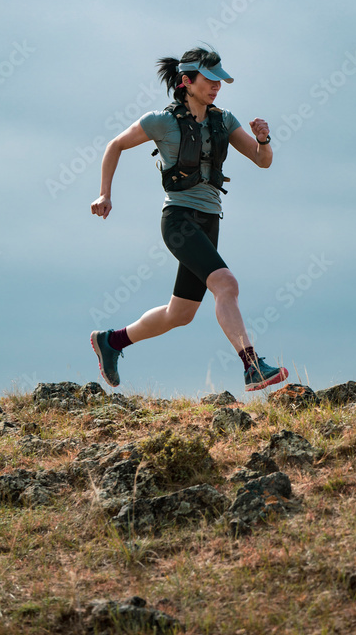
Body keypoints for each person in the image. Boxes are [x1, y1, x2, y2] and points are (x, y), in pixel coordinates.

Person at [89, 46, 288, 393]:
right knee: (226, 284)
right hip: (179, 221)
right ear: (187, 81)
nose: (216, 86)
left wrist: (264, 140)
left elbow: (262, 160)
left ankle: (112, 341)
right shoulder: (161, 122)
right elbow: (115, 145)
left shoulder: (224, 120)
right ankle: (252, 366)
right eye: (209, 80)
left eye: (220, 81)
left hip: (211, 221)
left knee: (179, 314)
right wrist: (105, 194)